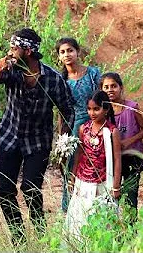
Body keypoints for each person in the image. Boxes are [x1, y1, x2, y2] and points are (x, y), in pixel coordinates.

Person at [0, 28, 75, 244]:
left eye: (13, 48)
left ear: (27, 51)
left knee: (30, 188)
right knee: (5, 191)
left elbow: (68, 109)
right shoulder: (11, 70)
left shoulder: (53, 79)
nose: (10, 52)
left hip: (38, 142)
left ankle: (41, 234)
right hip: (9, 138)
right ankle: (18, 238)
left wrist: (64, 140)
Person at [65, 90, 122, 239]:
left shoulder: (112, 132)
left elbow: (117, 160)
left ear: (106, 109)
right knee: (80, 216)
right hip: (83, 180)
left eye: (96, 109)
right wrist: (72, 177)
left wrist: (116, 186)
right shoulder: (83, 129)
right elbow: (79, 154)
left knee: (101, 218)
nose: (92, 113)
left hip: (103, 182)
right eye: (89, 109)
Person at [55, 37, 102, 213]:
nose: (67, 55)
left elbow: (102, 101)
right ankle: (70, 210)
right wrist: (61, 138)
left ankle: (94, 208)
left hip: (95, 124)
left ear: (78, 52)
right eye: (62, 52)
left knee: (95, 163)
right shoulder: (62, 80)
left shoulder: (93, 74)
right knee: (71, 167)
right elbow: (61, 111)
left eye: (70, 50)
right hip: (73, 127)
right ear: (59, 56)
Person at [100, 72, 143, 216]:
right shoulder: (103, 110)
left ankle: (130, 227)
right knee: (110, 192)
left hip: (132, 157)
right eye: (106, 87)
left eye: (113, 86)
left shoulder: (131, 107)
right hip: (112, 160)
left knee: (130, 193)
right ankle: (113, 226)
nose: (110, 90)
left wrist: (129, 141)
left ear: (121, 87)